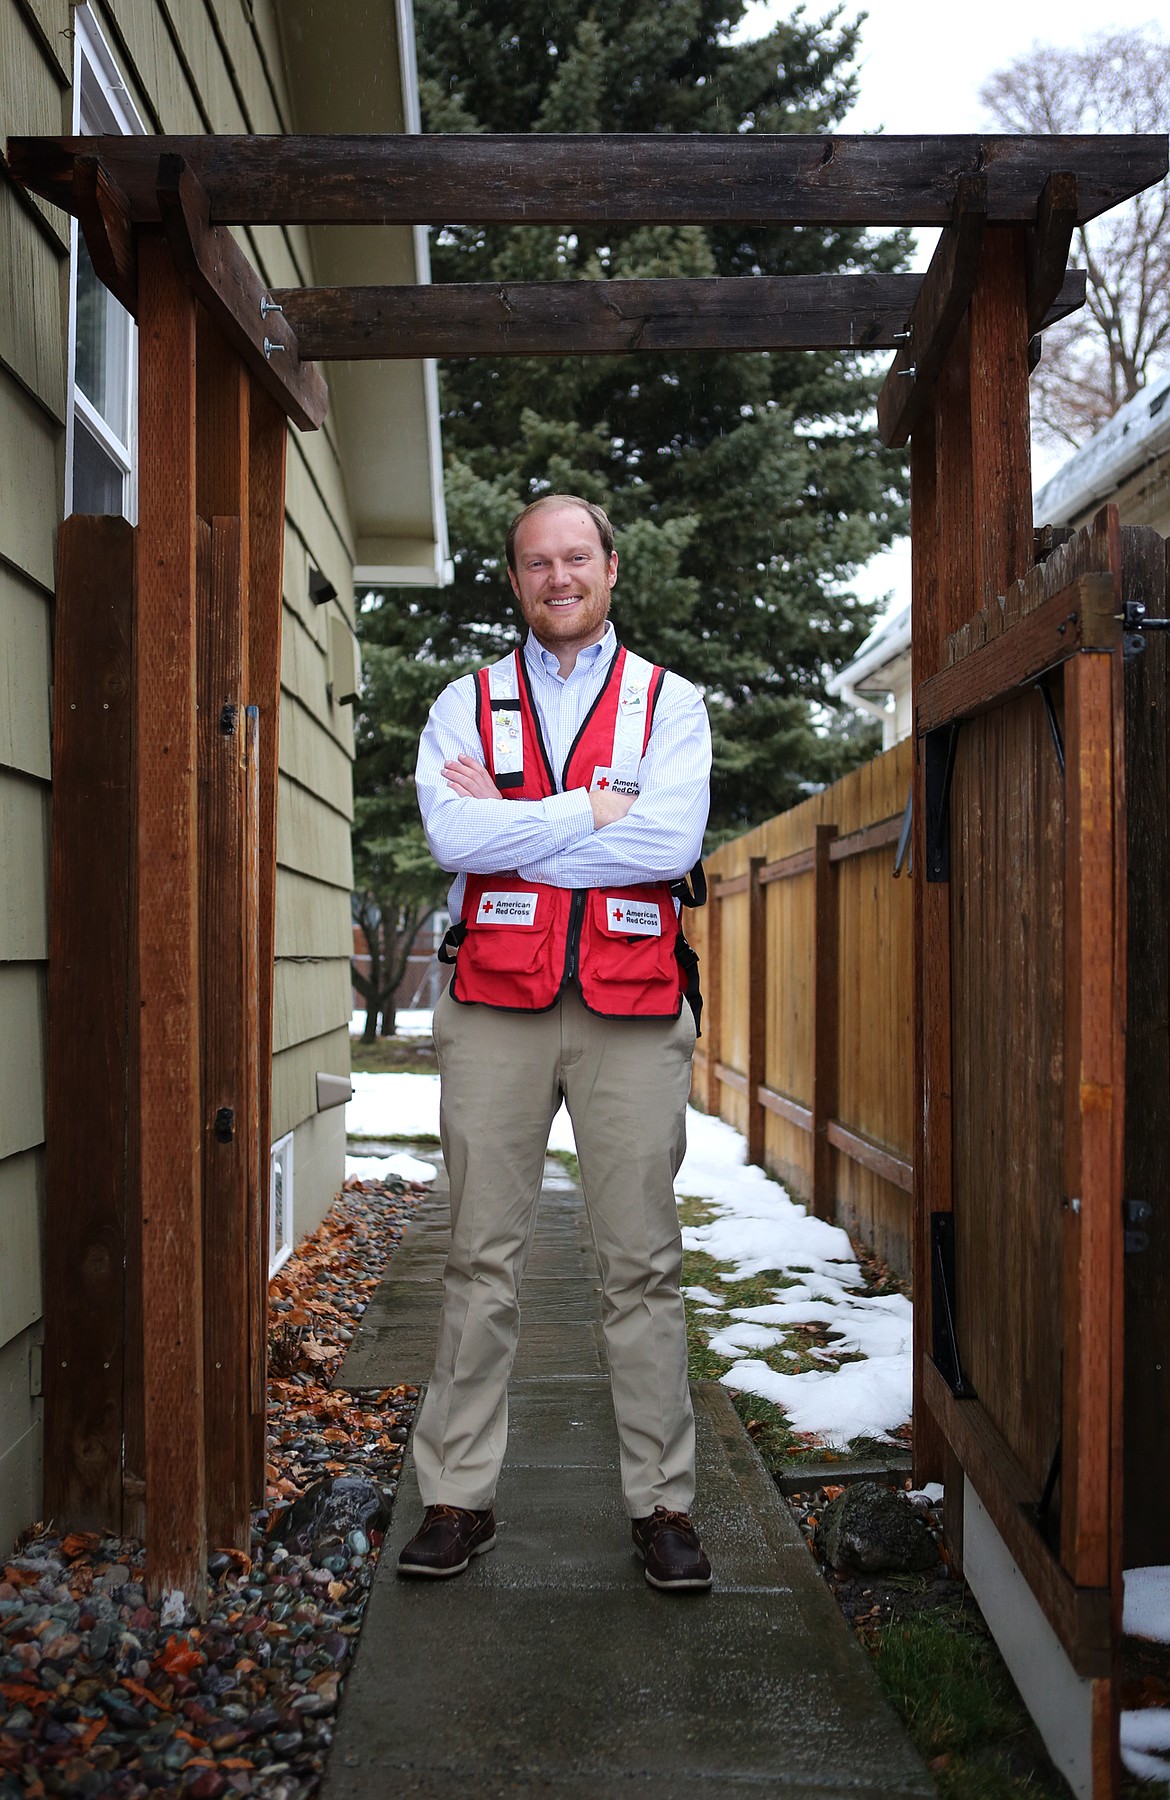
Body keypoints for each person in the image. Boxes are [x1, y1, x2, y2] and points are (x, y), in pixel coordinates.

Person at [397, 493, 713, 1591]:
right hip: (493, 1000)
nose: (559, 577)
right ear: (518, 579)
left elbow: (670, 840)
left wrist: (521, 825)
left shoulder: (671, 704)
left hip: (632, 1005)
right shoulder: (464, 702)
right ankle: (455, 1496)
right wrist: (596, 815)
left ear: (612, 569)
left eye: (577, 557)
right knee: (479, 1256)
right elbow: (453, 833)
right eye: (538, 562)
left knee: (641, 1261)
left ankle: (663, 1506)